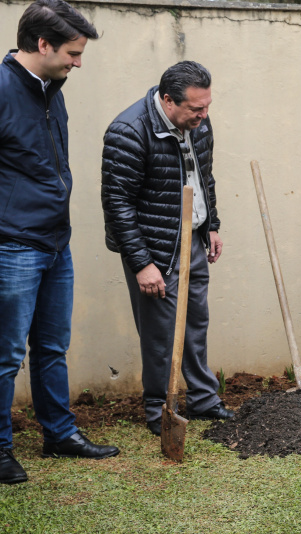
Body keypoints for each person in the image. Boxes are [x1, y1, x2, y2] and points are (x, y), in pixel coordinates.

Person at [0, 0, 116, 485]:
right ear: (42, 44)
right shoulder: (3, 90)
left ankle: (59, 433)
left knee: (51, 345)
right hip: (12, 246)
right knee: (5, 354)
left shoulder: (54, 89)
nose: (78, 62)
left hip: (54, 243)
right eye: (72, 52)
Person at [101, 61, 234, 438]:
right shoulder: (129, 130)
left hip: (192, 239)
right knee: (160, 333)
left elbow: (203, 177)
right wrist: (142, 263)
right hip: (155, 248)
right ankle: (159, 409)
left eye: (207, 106)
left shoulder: (199, 124)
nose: (204, 115)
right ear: (168, 101)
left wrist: (212, 225)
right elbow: (117, 203)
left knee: (196, 324)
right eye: (196, 108)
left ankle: (205, 401)